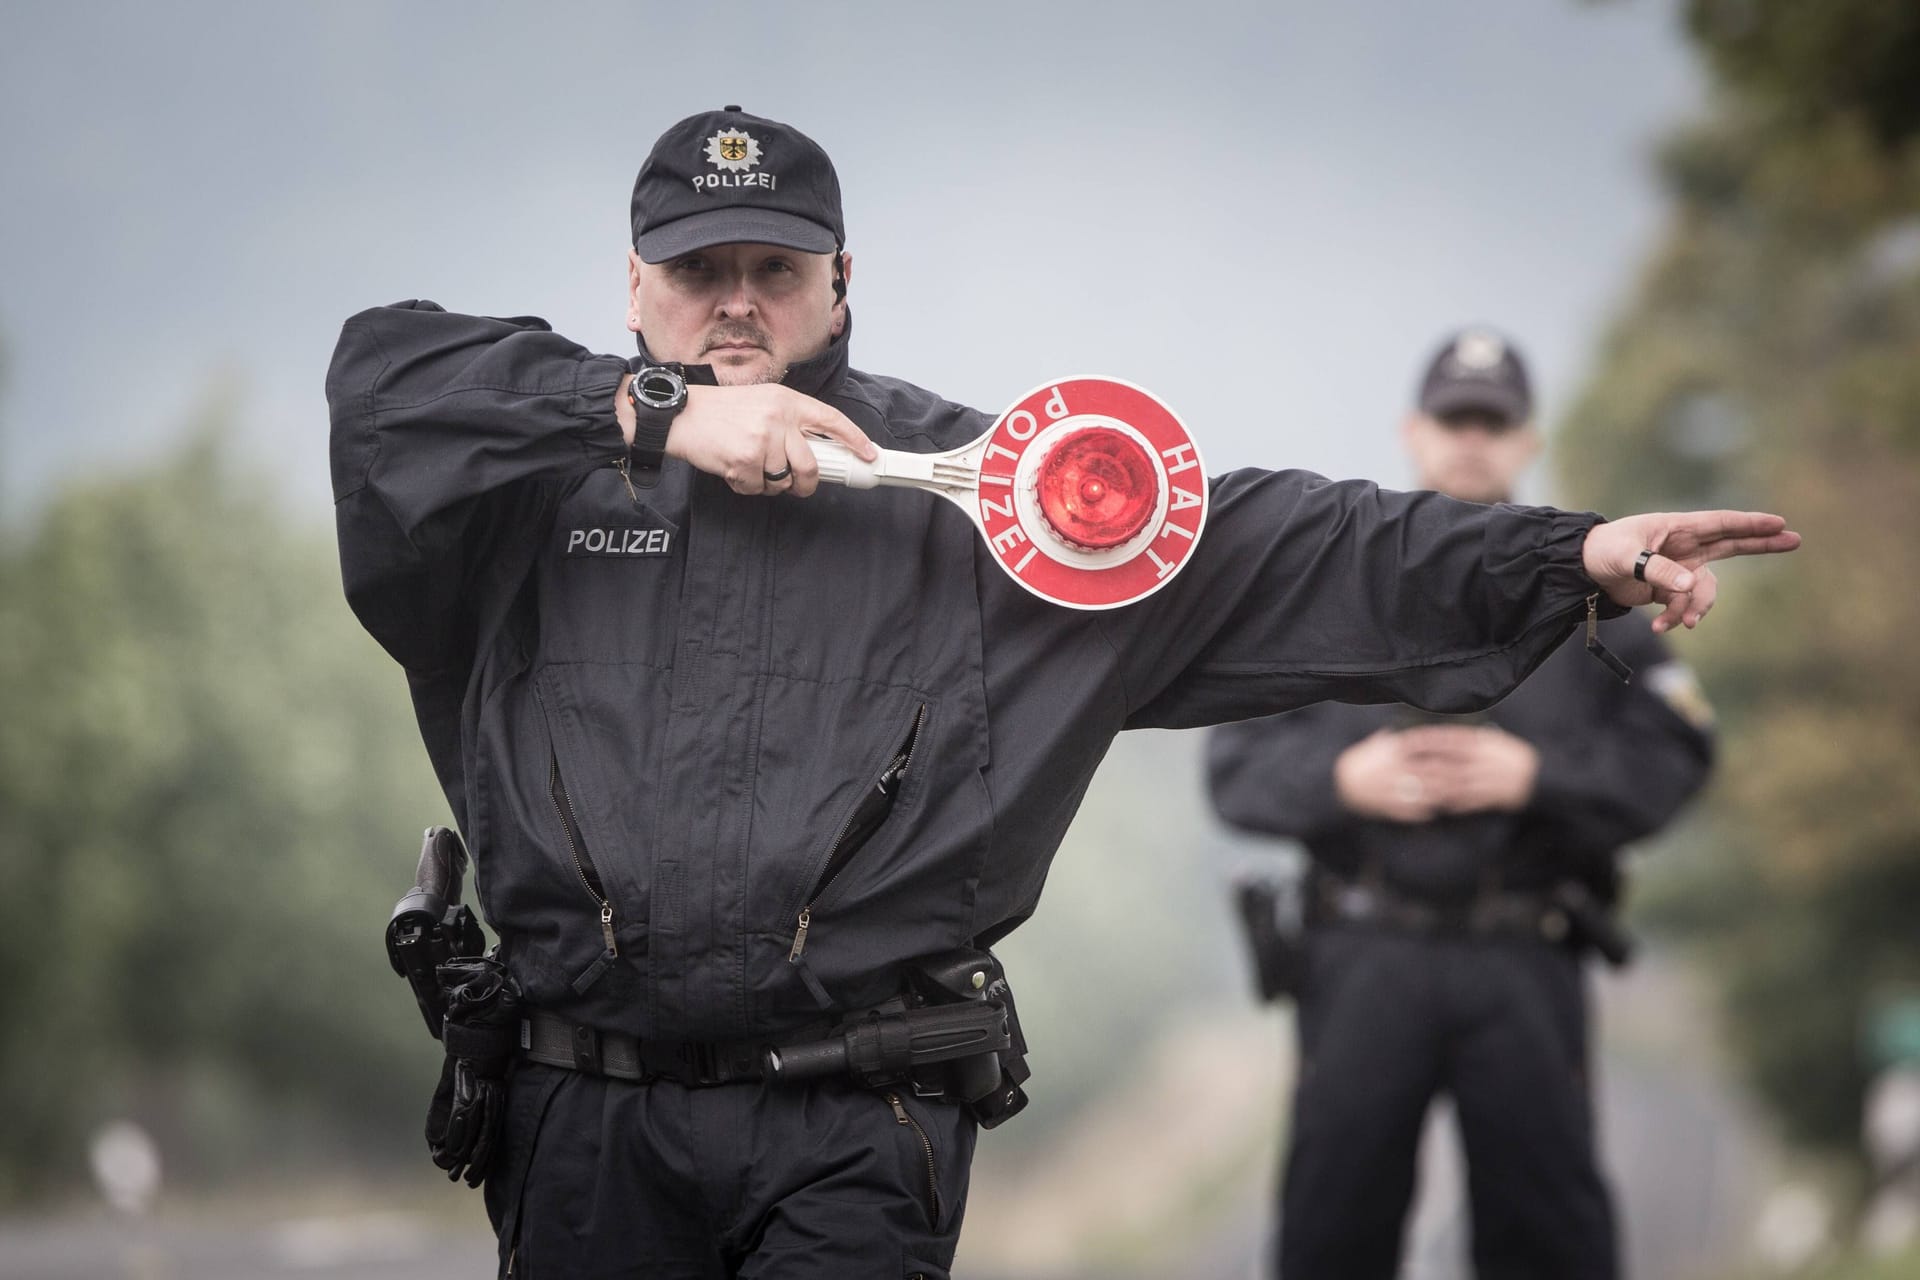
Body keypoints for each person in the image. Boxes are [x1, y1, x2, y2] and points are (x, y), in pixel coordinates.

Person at [326, 107, 1794, 1278]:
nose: (736, 306)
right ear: (630, 286)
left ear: (842, 284)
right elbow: (380, 382)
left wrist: (1571, 557)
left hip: (855, 1122)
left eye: (776, 271)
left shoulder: (1012, 505)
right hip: (580, 1124)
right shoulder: (515, 493)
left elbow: (1294, 544)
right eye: (698, 272)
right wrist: (663, 415)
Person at [1208, 329, 1720, 1280]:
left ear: (1528, 440)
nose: (1473, 440)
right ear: (1414, 430)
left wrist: (1538, 780)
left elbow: (1679, 752)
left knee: (1550, 1242)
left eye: (1495, 422)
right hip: (1361, 959)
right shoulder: (1335, 587)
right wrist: (1341, 781)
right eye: (1455, 419)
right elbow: (1232, 770)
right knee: (1331, 1237)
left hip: (1523, 955)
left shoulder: (1594, 593)